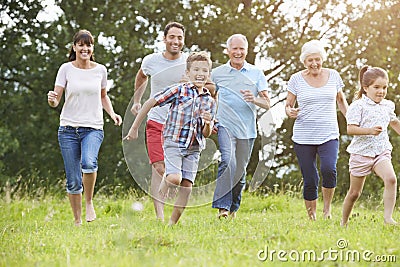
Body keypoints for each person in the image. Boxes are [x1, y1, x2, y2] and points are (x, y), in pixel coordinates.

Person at [130, 22, 215, 222]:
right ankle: (160, 217)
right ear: (164, 38)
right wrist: (136, 101)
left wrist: (208, 113)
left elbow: (209, 86)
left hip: (184, 128)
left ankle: (171, 219)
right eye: (172, 37)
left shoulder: (191, 62)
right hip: (158, 121)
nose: (176, 41)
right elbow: (141, 77)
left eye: (179, 38)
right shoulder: (151, 61)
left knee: (177, 178)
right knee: (160, 169)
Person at [47, 30, 122, 226]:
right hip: (68, 129)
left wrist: (112, 114)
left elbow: (103, 95)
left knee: (89, 163)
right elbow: (56, 99)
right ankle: (78, 221)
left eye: (88, 45)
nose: (85, 48)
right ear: (74, 47)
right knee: (73, 179)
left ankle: (89, 202)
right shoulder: (65, 69)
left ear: (92, 48)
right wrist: (52, 100)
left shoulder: (100, 70)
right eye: (81, 45)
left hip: (93, 128)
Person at [285, 39, 348, 221]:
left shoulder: (334, 76)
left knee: (329, 169)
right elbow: (288, 105)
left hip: (329, 134)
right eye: (310, 60)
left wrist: (352, 120)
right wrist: (290, 111)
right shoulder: (296, 79)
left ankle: (327, 210)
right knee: (310, 177)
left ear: (322, 59)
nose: (314, 64)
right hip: (303, 136)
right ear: (304, 62)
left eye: (317, 59)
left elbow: (341, 101)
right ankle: (311, 216)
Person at [211, 34, 270, 219]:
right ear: (228, 51)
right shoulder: (217, 73)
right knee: (228, 161)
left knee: (240, 170)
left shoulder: (256, 73)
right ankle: (222, 207)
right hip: (225, 126)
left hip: (247, 130)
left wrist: (254, 99)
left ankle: (233, 208)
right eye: (234, 49)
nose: (238, 52)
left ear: (246, 51)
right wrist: (211, 118)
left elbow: (267, 103)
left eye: (241, 49)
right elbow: (210, 96)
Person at [341, 66, 399, 226]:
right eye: (377, 87)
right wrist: (369, 131)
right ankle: (343, 223)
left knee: (391, 179)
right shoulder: (357, 106)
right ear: (365, 88)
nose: (381, 91)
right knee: (354, 193)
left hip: (381, 152)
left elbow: (394, 123)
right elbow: (350, 128)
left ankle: (388, 218)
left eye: (384, 87)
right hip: (361, 154)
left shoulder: (387, 106)